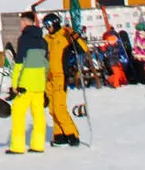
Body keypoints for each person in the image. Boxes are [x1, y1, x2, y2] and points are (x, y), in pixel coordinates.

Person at [42, 12, 86, 147]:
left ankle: (72, 134)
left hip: (61, 76)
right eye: (45, 25)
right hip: (48, 78)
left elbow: (83, 49)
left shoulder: (65, 36)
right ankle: (59, 135)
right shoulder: (47, 39)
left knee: (60, 108)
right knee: (52, 108)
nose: (47, 28)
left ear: (55, 23)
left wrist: (74, 35)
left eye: (48, 25)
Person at [7, 12, 48, 155]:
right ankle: (38, 144)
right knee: (38, 115)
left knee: (18, 113)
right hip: (39, 84)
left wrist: (15, 84)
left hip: (25, 83)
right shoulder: (43, 41)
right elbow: (46, 64)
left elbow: (19, 64)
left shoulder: (23, 39)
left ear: (24, 22)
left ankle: (17, 146)